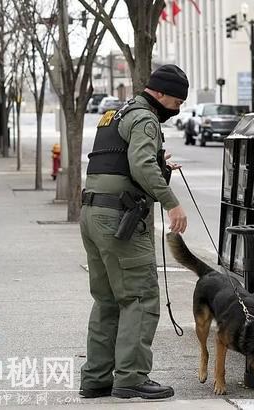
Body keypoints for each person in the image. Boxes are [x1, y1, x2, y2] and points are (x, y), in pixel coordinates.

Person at [78, 64, 189, 400]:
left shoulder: (114, 115)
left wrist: (159, 164)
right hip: (120, 220)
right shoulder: (144, 118)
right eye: (176, 101)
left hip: (92, 214)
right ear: (159, 93)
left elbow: (121, 162)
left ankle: (96, 378)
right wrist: (172, 203)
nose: (178, 108)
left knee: (107, 299)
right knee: (139, 297)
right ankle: (131, 378)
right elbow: (141, 166)